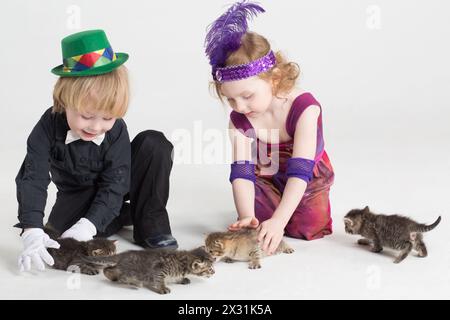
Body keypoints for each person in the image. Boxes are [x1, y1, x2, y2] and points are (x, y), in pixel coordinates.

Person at [16, 29, 177, 272]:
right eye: (87, 116)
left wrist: (88, 225)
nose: (97, 126)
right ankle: (124, 214)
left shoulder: (116, 130)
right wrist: (32, 229)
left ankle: (150, 220)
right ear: (63, 101)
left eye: (108, 117)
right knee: (60, 237)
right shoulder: (47, 127)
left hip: (118, 182)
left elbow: (116, 182)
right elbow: (33, 178)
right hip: (79, 192)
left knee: (154, 143)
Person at [204, 1, 335, 255]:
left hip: (306, 177)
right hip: (267, 174)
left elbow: (301, 170)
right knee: (260, 223)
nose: (239, 106)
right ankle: (268, 213)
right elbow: (241, 172)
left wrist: (279, 221)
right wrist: (246, 216)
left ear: (273, 79)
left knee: (307, 227)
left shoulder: (305, 109)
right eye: (231, 99)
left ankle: (286, 212)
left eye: (247, 96)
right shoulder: (239, 120)